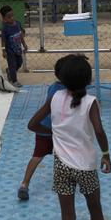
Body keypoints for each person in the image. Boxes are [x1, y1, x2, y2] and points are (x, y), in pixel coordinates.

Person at [27, 55, 111, 220]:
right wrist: (106, 153)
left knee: (67, 218)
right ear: (88, 80)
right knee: (95, 209)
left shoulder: (55, 97)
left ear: (62, 80)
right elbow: (98, 131)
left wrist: (54, 132)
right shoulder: (90, 102)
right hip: (85, 166)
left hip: (61, 166)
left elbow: (32, 124)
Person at [17, 58, 70, 201]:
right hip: (57, 129)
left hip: (43, 128)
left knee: (37, 156)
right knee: (64, 155)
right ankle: (66, 181)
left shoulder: (53, 86)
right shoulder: (66, 92)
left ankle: (24, 184)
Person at [0, 5, 26, 85]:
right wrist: (3, 51)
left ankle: (9, 71)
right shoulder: (5, 28)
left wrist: (24, 44)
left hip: (18, 49)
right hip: (10, 51)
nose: (12, 18)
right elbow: (3, 41)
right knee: (12, 66)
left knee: (20, 62)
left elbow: (21, 35)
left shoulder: (17, 24)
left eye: (12, 15)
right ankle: (14, 81)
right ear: (4, 18)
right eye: (9, 17)